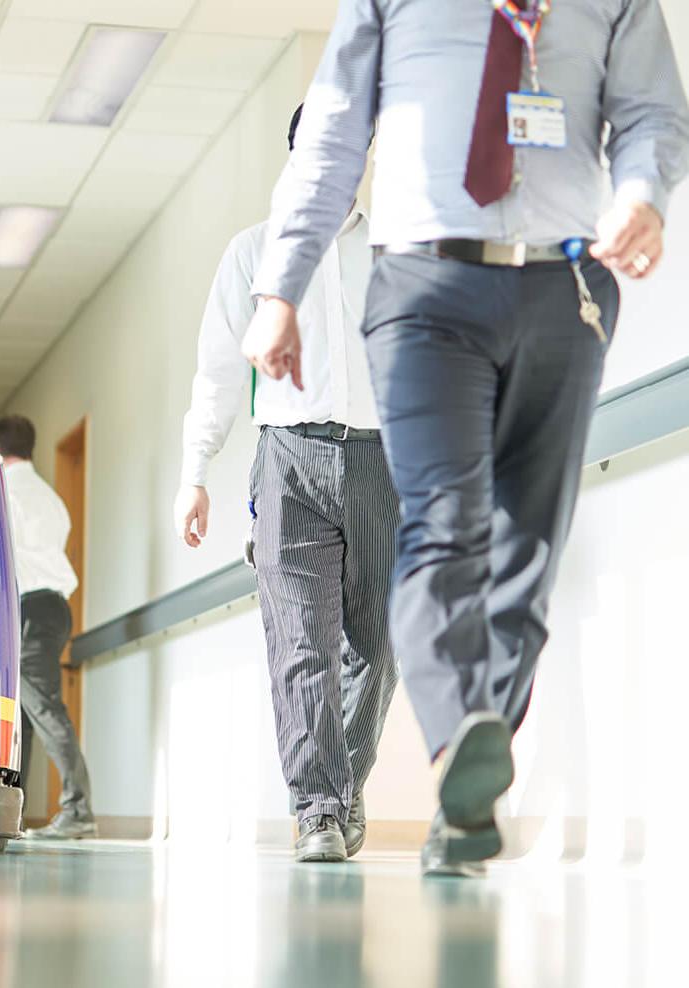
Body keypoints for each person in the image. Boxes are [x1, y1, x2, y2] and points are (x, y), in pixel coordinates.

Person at [242, 0, 689, 876]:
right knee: (443, 526)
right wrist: (278, 289)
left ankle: (467, 789)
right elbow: (333, 134)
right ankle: (456, 750)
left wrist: (642, 192)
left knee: (529, 546)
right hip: (424, 287)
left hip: (566, 288)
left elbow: (649, 111)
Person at [174, 106, 400, 862]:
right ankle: (317, 810)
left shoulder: (396, 247)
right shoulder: (254, 252)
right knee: (301, 644)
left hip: (382, 460)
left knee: (378, 644)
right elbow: (215, 370)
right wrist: (193, 474)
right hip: (288, 459)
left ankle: (340, 786)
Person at [0, 416, 96, 840]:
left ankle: (78, 809)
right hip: (54, 606)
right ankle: (13, 811)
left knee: (44, 709)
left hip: (29, 607)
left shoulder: (1, 489)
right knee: (25, 715)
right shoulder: (50, 497)